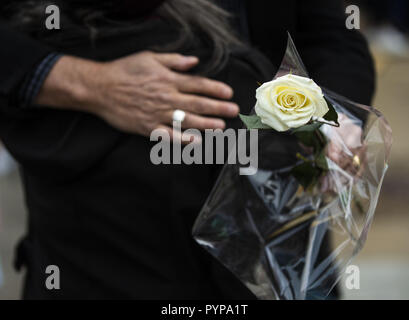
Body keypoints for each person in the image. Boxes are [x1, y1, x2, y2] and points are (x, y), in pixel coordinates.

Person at [0, 0, 374, 299]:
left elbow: (331, 32)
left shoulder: (41, 59)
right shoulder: (222, 78)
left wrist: (337, 117)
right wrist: (75, 81)